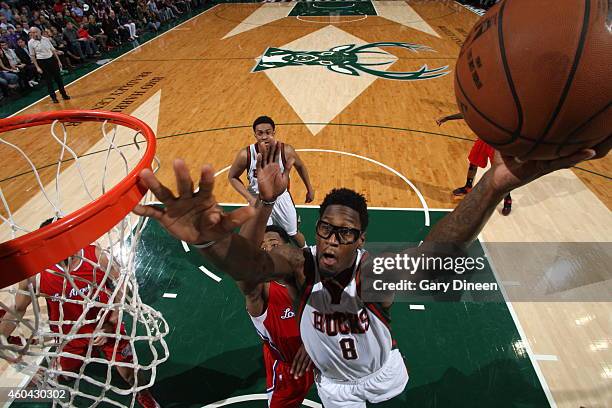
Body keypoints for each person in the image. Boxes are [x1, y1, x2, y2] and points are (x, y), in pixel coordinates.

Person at [133, 137, 606, 407]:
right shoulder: (301, 268)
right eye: (327, 230)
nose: (334, 240)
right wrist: (212, 241)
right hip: (336, 387)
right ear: (315, 232)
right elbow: (249, 266)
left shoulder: (373, 273)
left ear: (361, 240)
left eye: (346, 232)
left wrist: (494, 182)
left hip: (383, 375)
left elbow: (436, 252)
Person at [0, 218, 160, 408]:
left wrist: (113, 318)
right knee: (67, 372)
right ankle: (55, 364)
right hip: (69, 334)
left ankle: (144, 393)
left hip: (106, 325)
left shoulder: (95, 256)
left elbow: (122, 285)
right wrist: (2, 335)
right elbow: (18, 309)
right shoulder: (37, 275)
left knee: (128, 372)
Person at [236, 224, 314, 407]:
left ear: (289, 248)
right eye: (262, 248)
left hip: (324, 355)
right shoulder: (262, 292)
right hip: (290, 372)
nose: (268, 251)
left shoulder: (311, 276)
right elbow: (245, 280)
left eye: (274, 244)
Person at [228, 116, 314, 248]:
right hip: (258, 200)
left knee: (293, 233)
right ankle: (259, 262)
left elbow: (301, 166)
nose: (264, 137)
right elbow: (232, 177)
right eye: (260, 133)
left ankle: (306, 252)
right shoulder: (246, 155)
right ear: (255, 134)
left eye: (268, 132)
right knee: (260, 235)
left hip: (281, 199)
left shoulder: (286, 151)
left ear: (274, 132)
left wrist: (309, 188)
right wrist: (249, 198)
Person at [437, 112, 513, 215]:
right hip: (483, 140)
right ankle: (467, 187)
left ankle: (507, 199)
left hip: (497, 144)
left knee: (499, 173)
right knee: (473, 163)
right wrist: (447, 118)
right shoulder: (485, 107)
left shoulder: (504, 111)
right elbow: (467, 113)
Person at [28, 26, 70, 103]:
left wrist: (58, 61)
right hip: (42, 62)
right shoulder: (30, 43)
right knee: (48, 81)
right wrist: (37, 67)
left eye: (34, 32)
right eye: (31, 33)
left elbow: (53, 50)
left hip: (51, 59)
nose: (33, 34)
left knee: (59, 79)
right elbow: (33, 56)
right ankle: (53, 97)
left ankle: (64, 94)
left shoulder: (46, 39)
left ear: (39, 32)